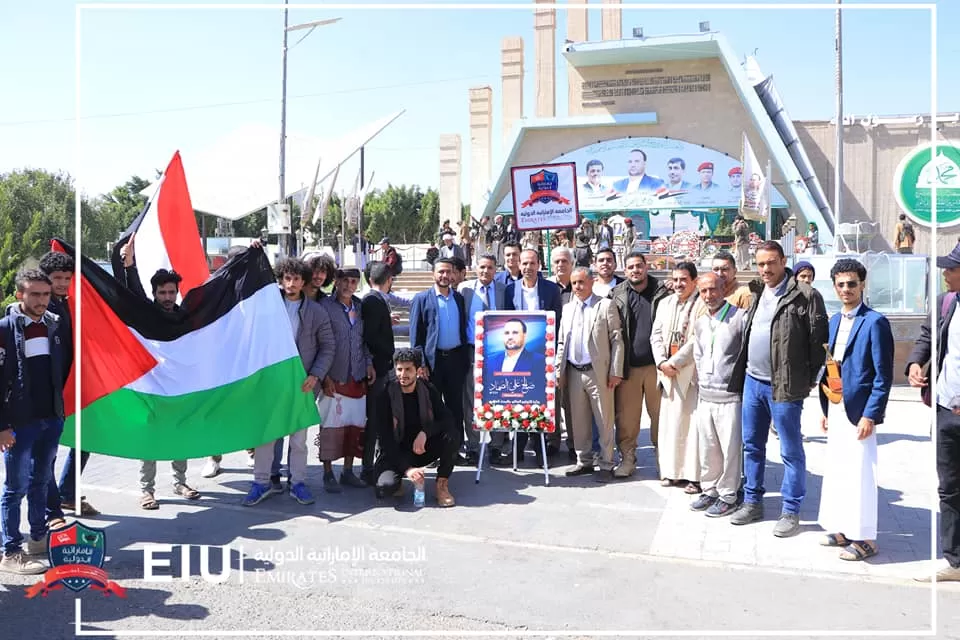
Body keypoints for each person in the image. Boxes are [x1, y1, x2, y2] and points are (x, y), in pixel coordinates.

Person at [728, 241, 828, 537]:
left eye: (771, 262)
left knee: (790, 450)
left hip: (784, 387)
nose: (766, 269)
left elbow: (818, 344)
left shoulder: (806, 295)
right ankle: (753, 501)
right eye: (761, 264)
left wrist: (807, 379)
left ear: (784, 260)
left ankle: (791, 510)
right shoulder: (756, 291)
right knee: (752, 446)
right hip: (752, 382)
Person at [816, 258, 894, 562]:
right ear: (834, 286)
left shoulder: (875, 322)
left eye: (852, 283)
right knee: (839, 471)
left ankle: (865, 538)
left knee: (861, 474)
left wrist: (871, 414)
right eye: (841, 284)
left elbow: (883, 375)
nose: (846, 289)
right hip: (836, 407)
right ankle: (843, 529)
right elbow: (830, 368)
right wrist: (826, 407)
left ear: (863, 285)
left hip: (859, 411)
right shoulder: (834, 320)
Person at [243, 256, 335, 507]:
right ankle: (261, 482)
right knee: (266, 437)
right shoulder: (268, 308)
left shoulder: (316, 311)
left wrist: (315, 375)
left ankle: (298, 483)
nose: (291, 283)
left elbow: (328, 347)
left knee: (298, 440)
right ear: (281, 280)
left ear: (303, 281)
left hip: (302, 385)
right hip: (271, 384)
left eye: (296, 279)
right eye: (287, 278)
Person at [118, 237, 203, 509]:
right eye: (162, 293)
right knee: (151, 438)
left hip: (179, 387)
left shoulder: (185, 317)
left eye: (171, 292)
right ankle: (147, 490)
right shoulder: (146, 314)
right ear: (154, 293)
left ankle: (180, 482)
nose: (167, 297)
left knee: (180, 435)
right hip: (152, 387)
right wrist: (128, 265)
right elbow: (131, 293)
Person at [0, 270, 68, 575]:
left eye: (46, 294)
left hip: (50, 419)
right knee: (15, 488)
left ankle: (38, 538)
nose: (42, 301)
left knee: (41, 481)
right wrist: (3, 425)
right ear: (20, 295)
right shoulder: (3, 330)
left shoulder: (54, 325)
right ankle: (10, 551)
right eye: (35, 295)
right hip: (19, 422)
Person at [907, 243, 960, 582]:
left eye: (951, 268)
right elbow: (927, 337)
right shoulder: (946, 303)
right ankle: (956, 562)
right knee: (950, 487)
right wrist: (914, 362)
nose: (944, 273)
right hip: (945, 409)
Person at [37, 250, 96, 524]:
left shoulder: (70, 304)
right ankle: (51, 512)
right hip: (46, 394)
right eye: (56, 277)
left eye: (66, 278)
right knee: (45, 453)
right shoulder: (37, 310)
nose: (61, 282)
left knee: (86, 439)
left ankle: (68, 493)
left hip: (73, 388)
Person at [557, 267, 624, 481]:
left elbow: (617, 340)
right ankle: (583, 460)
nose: (577, 287)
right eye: (574, 283)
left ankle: (606, 463)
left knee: (604, 419)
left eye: (581, 282)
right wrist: (559, 370)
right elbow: (561, 342)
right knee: (578, 421)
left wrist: (615, 371)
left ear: (592, 282)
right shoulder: (567, 309)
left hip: (598, 373)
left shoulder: (605, 305)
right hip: (574, 372)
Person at [690, 272, 746, 517]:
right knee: (708, 447)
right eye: (703, 291)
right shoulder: (701, 321)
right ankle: (710, 488)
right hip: (706, 395)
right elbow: (699, 355)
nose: (708, 295)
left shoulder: (739, 318)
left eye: (713, 289)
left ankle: (729, 494)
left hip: (730, 396)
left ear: (724, 289)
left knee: (731, 448)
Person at [372, 349, 457, 506]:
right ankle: (401, 479)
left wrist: (426, 432)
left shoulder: (428, 389)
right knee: (385, 488)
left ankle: (442, 485)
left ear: (418, 371)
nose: (403, 375)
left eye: (408, 369)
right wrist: (407, 469)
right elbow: (386, 440)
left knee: (452, 434)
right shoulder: (386, 395)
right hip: (396, 452)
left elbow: (447, 419)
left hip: (422, 448)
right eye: (399, 369)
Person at [611, 252, 669, 478]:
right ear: (625, 271)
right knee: (627, 419)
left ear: (646, 267)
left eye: (639, 266)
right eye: (631, 267)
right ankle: (627, 459)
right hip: (629, 368)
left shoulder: (662, 291)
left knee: (660, 416)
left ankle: (663, 460)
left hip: (656, 367)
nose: (635, 270)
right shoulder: (617, 295)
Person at [317, 268, 375, 492]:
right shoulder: (325, 307)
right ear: (337, 282)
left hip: (357, 375)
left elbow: (364, 340)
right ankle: (328, 473)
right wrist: (325, 375)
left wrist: (369, 363)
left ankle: (348, 471)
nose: (349, 285)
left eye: (354, 281)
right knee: (331, 425)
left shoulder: (360, 308)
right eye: (345, 281)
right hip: (334, 376)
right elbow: (320, 342)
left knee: (354, 425)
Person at [409, 258, 470, 466]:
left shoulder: (459, 299)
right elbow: (416, 337)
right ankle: (432, 451)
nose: (445, 276)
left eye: (449, 272)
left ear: (454, 274)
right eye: (441, 272)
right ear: (433, 274)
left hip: (455, 361)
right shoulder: (422, 299)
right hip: (432, 364)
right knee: (431, 409)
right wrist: (420, 364)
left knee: (455, 407)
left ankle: (454, 450)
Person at [504, 250, 564, 460]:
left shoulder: (551, 289)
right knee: (518, 399)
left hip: (542, 355)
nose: (528, 267)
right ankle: (518, 448)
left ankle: (540, 448)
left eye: (532, 263)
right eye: (524, 263)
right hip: (517, 355)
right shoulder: (510, 290)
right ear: (519, 265)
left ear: (539, 264)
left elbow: (558, 322)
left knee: (539, 402)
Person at [650, 262, 704, 492]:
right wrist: (662, 362)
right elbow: (656, 334)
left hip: (689, 374)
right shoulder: (665, 303)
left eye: (684, 279)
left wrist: (675, 362)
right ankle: (670, 472)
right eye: (676, 279)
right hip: (667, 374)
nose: (680, 284)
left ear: (694, 281)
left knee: (691, 427)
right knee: (670, 426)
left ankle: (692, 476)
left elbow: (697, 339)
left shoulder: (702, 304)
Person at [459, 255, 506, 464]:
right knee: (471, 399)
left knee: (497, 398)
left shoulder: (503, 290)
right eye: (482, 267)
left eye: (490, 268)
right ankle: (473, 446)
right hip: (471, 351)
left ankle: (496, 446)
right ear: (475, 268)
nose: (485, 271)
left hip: (497, 352)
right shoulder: (465, 289)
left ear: (496, 270)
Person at [361, 262, 398, 485]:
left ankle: (375, 462)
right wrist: (388, 353)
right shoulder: (373, 301)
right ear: (389, 280)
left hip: (380, 366)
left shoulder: (375, 300)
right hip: (377, 368)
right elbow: (371, 337)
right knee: (374, 418)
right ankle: (367, 467)